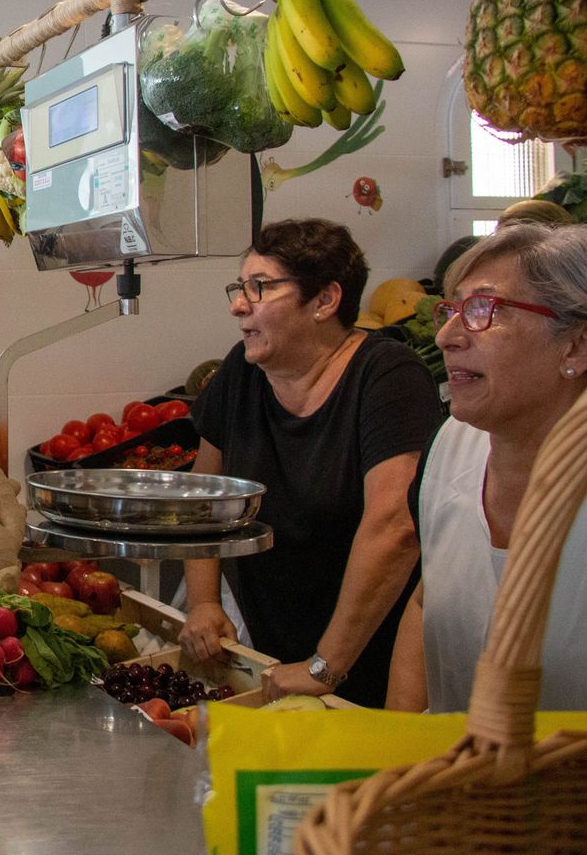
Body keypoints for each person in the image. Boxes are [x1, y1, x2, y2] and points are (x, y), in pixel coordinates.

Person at [179, 218, 442, 707]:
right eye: (240, 287)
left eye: (260, 287)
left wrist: (326, 665)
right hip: (277, 650)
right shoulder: (242, 370)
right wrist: (204, 602)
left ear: (325, 300)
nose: (239, 304)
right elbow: (205, 494)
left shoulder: (388, 376)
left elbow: (395, 526)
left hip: (372, 657)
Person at [388, 223, 587, 712]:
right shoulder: (451, 447)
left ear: (580, 346)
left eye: (483, 310)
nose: (447, 335)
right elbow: (427, 599)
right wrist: (404, 746)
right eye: (451, 310)